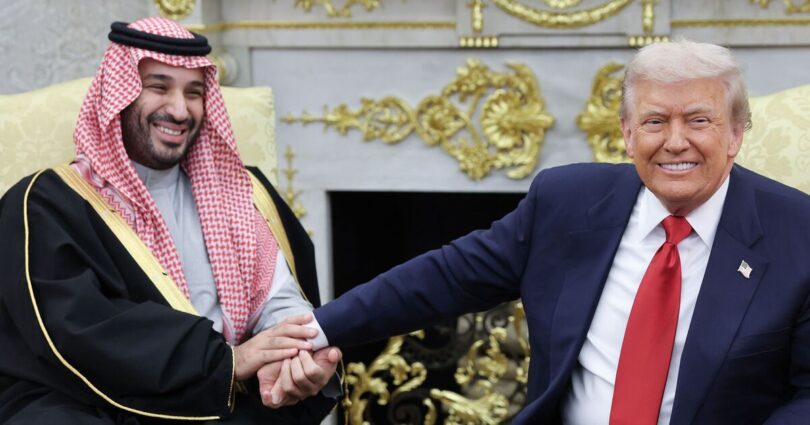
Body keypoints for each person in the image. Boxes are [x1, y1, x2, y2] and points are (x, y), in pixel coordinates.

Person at [303, 40, 810, 424]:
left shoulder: (798, 234)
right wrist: (315, 333)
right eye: (655, 122)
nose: (675, 142)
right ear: (627, 134)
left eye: (699, 121)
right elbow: (446, 277)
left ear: (736, 133)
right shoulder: (567, 202)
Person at [0, 17, 340, 424]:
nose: (180, 110)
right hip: (91, 402)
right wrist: (228, 361)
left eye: (194, 93)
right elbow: (79, 330)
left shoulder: (240, 189)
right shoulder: (46, 202)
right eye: (159, 87)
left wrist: (297, 352)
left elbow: (277, 299)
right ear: (119, 93)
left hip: (220, 399)